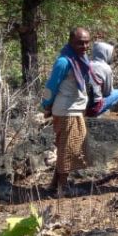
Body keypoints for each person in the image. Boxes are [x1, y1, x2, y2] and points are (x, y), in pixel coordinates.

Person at [40, 27, 93, 195]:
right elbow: (51, 85)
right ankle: (63, 189)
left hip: (75, 109)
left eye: (86, 42)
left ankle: (54, 185)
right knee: (68, 150)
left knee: (66, 147)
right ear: (71, 41)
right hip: (66, 111)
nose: (84, 46)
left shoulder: (81, 59)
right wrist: (45, 105)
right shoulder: (64, 62)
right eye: (80, 43)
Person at [87, 41, 118, 117]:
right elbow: (108, 92)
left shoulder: (86, 64)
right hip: (93, 109)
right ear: (105, 53)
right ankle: (104, 113)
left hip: (82, 107)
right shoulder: (106, 68)